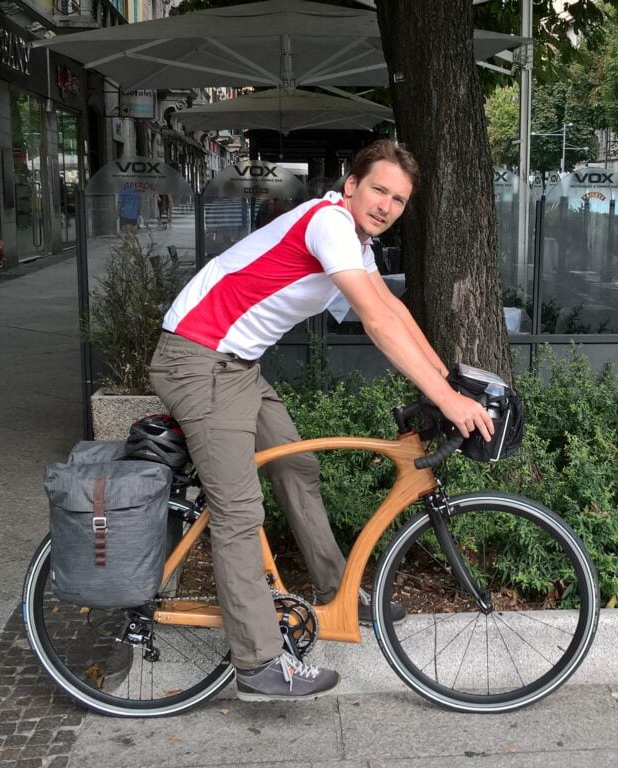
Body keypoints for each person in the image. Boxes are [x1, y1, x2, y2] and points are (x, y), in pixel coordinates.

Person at [149, 139, 494, 702]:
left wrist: (447, 381)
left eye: (399, 200)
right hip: (199, 359)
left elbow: (394, 309)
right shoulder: (328, 223)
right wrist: (447, 400)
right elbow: (376, 319)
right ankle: (259, 663)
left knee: (298, 466)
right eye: (379, 190)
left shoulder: (354, 242)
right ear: (351, 185)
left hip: (234, 365)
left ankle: (339, 588)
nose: (386, 205)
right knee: (238, 512)